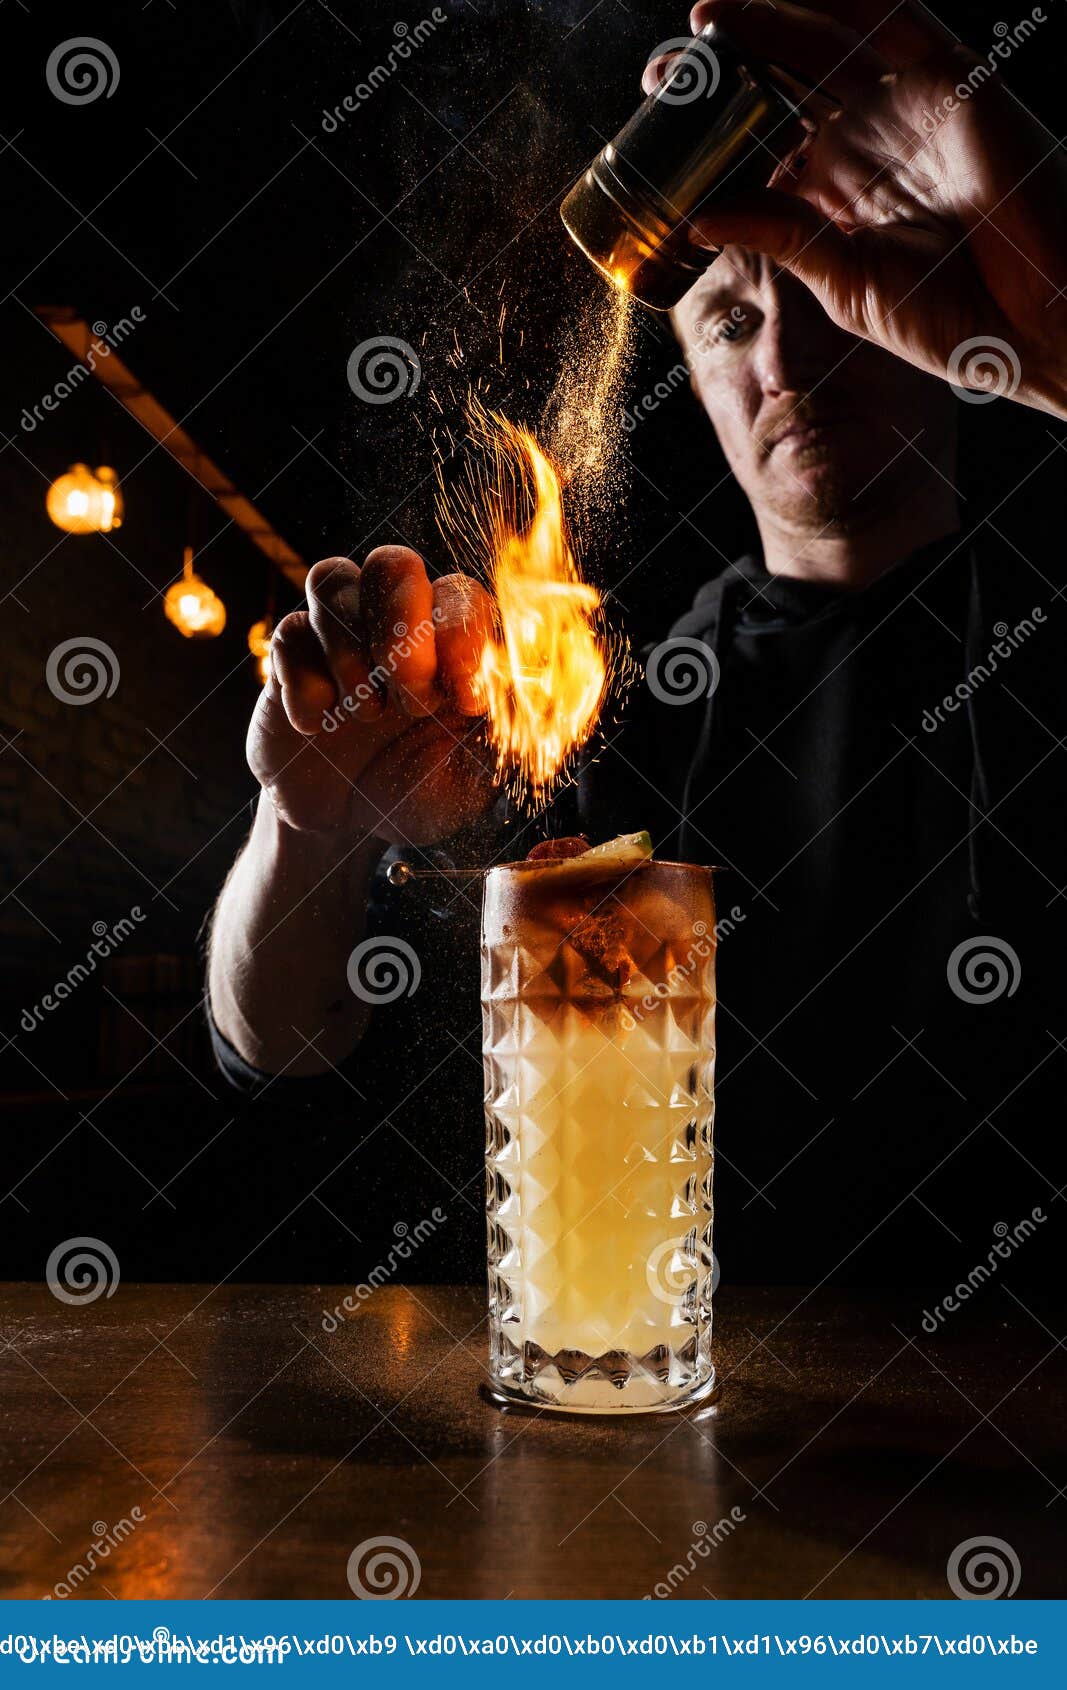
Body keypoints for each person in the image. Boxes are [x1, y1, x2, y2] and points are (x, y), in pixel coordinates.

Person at [207, 1, 1066, 1285]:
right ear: (680, 353)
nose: (786, 351)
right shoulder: (633, 711)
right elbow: (279, 1041)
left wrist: (1051, 325)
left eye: (834, 283)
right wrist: (310, 824)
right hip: (690, 1411)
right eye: (727, 318)